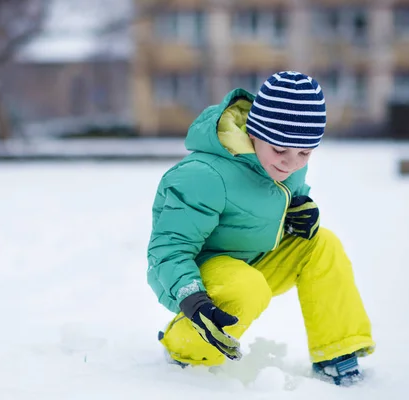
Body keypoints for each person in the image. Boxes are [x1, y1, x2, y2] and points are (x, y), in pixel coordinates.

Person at [146, 71, 375, 386]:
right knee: (247, 288)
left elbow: (287, 196)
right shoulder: (203, 176)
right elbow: (168, 249)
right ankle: (185, 351)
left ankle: (337, 355)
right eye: (280, 150)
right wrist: (191, 298)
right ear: (253, 132)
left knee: (323, 244)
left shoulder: (284, 161)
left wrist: (301, 209)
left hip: (255, 259)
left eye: (304, 153)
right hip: (202, 278)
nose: (291, 163)